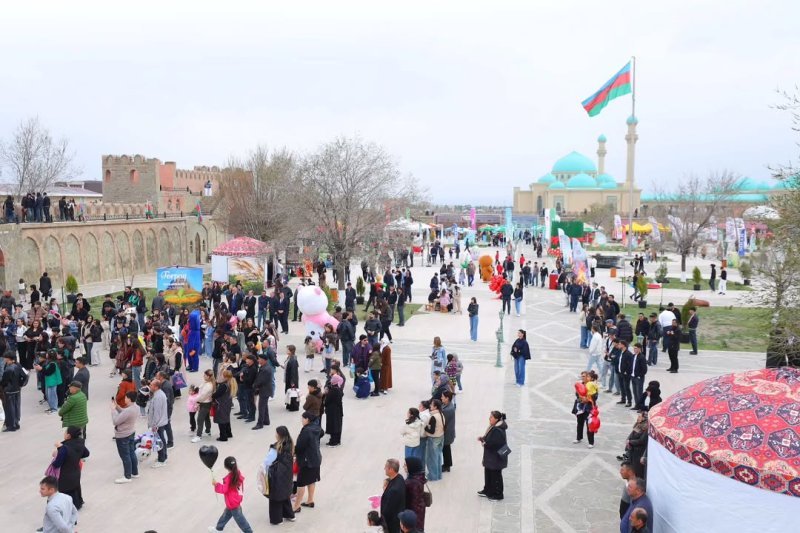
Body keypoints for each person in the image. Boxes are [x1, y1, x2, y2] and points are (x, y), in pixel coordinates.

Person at [209, 456, 254, 533]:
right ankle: (219, 528)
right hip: (235, 500)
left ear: (225, 466)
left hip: (232, 502)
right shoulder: (237, 474)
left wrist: (216, 485)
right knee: (225, 515)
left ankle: (248, 531)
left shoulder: (229, 478)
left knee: (240, 519)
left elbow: (224, 489)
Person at [51, 426, 90, 509]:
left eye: (65, 432)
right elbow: (86, 453)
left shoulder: (64, 447)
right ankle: (79, 502)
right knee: (76, 487)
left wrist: (58, 451)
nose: (64, 433)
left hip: (65, 474)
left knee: (67, 490)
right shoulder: (80, 442)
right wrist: (77, 456)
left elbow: (57, 464)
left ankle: (70, 507)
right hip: (76, 470)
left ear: (68, 435)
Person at [264, 426, 296, 524]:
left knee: (275, 497)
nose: (275, 435)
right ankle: (289, 515)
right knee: (285, 494)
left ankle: (277, 520)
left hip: (276, 475)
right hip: (287, 474)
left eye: (276, 433)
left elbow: (267, 461)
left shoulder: (276, 447)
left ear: (279, 435)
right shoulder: (290, 443)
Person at [294, 411, 323, 513]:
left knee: (301, 483)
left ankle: (296, 506)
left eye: (302, 418)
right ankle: (310, 500)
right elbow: (322, 433)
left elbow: (300, 447)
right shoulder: (317, 428)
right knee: (311, 480)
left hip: (307, 461)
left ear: (307, 419)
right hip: (316, 458)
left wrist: (294, 450)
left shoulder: (306, 431)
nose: (301, 420)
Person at [478, 410, 508, 501]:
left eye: (491, 417)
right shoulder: (494, 427)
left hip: (496, 458)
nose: (489, 419)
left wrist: (484, 443)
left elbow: (493, 444)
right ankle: (488, 490)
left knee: (496, 475)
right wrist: (483, 439)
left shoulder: (498, 430)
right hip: (491, 457)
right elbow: (489, 438)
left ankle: (498, 494)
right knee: (488, 473)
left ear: (497, 419)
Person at [111, 391, 139, 483]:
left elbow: (116, 421)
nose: (125, 399)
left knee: (125, 455)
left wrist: (113, 410)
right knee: (131, 453)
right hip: (131, 432)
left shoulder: (128, 410)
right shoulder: (135, 407)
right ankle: (134, 472)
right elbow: (124, 413)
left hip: (123, 435)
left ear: (129, 399)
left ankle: (127, 476)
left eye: (126, 397)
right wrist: (117, 407)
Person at [146, 379, 169, 467]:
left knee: (159, 441)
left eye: (151, 385)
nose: (150, 386)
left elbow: (157, 412)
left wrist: (154, 425)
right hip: (160, 422)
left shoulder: (158, 396)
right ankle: (164, 457)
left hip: (158, 423)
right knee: (161, 440)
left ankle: (161, 460)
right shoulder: (158, 394)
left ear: (156, 387)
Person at [381, 458, 406, 533]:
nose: (384, 468)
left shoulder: (394, 490)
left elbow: (388, 509)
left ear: (391, 469)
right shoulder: (400, 477)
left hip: (392, 522)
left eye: (386, 467)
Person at [573, 371, 598, 448]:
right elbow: (577, 394)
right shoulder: (580, 385)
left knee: (589, 425)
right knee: (579, 423)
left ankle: (591, 442)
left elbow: (595, 396)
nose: (582, 378)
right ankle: (579, 437)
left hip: (589, 408)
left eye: (584, 376)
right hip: (580, 407)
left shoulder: (592, 385)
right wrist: (581, 399)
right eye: (582, 376)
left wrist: (587, 399)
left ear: (588, 377)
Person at [403, 457, 427, 531]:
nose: (403, 467)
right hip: (419, 511)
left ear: (411, 467)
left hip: (414, 514)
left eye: (405, 465)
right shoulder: (418, 477)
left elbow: (412, 501)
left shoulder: (412, 482)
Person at [423, 399, 445, 481]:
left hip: (434, 439)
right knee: (438, 457)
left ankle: (433, 476)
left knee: (432, 458)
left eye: (431, 405)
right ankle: (438, 475)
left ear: (435, 407)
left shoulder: (433, 417)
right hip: (441, 437)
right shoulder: (441, 414)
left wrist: (425, 427)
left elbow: (431, 431)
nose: (430, 406)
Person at [1, 352, 23, 431]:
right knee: (16, 407)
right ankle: (16, 423)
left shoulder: (9, 368)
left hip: (9, 391)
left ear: (8, 358)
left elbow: (4, 381)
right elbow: (24, 375)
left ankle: (11, 426)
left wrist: (4, 387)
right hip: (17, 390)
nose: (4, 359)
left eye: (5, 357)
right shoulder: (18, 365)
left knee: (10, 408)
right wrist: (20, 384)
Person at [212, 369, 237, 442]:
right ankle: (229, 433)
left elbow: (216, 394)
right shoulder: (231, 382)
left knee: (221, 420)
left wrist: (212, 395)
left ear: (225, 376)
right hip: (227, 403)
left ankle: (223, 436)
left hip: (221, 404)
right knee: (226, 418)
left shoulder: (224, 385)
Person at [252, 353, 274, 430]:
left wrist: (254, 385)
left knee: (261, 407)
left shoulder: (266, 369)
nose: (258, 360)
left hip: (265, 390)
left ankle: (260, 423)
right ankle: (266, 420)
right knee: (264, 406)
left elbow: (261, 380)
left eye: (259, 359)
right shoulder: (265, 367)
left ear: (264, 360)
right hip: (265, 389)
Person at [193, 369, 216, 440]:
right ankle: (208, 431)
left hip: (205, 403)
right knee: (206, 417)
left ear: (209, 377)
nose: (203, 376)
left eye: (205, 375)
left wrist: (196, 400)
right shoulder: (206, 382)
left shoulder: (209, 386)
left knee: (200, 419)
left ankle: (198, 436)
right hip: (205, 403)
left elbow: (203, 396)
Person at [324, 373, 344, 447]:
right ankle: (337, 441)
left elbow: (327, 401)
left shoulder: (333, 391)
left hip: (332, 411)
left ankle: (333, 441)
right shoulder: (339, 389)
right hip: (338, 410)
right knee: (337, 425)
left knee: (333, 426)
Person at [441, 390, 456, 473]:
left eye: (442, 396)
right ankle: (448, 464)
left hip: (447, 432)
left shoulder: (448, 409)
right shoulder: (447, 405)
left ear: (447, 398)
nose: (441, 398)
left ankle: (447, 465)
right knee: (446, 449)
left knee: (446, 449)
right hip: (448, 431)